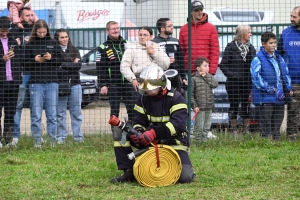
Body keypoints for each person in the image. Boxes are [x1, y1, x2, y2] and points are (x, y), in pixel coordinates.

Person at [111, 63, 195, 184]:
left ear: (161, 84)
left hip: (174, 143)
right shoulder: (143, 98)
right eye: (147, 89)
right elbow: (138, 120)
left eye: (152, 89)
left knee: (185, 177)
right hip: (149, 142)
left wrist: (154, 132)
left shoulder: (176, 98)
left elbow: (177, 125)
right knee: (120, 131)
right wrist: (138, 131)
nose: (149, 92)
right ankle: (129, 171)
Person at [24, 19, 63, 148]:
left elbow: (61, 60)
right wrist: (35, 60)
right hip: (36, 82)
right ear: (35, 31)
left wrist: (51, 58)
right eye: (39, 32)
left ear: (47, 31)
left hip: (52, 82)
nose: (41, 34)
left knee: (52, 114)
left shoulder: (53, 42)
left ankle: (52, 142)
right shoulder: (30, 44)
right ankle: (37, 142)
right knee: (36, 114)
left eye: (44, 32)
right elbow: (24, 63)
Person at [96, 21, 136, 141]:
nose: (115, 30)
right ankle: (116, 136)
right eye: (113, 29)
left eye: (117, 28)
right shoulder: (103, 48)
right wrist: (103, 84)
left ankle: (132, 134)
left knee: (133, 109)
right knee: (114, 111)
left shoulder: (127, 44)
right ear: (107, 31)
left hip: (128, 83)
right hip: (113, 84)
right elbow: (100, 69)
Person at [251, 32, 293, 140]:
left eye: (274, 42)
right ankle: (265, 141)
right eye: (270, 43)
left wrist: (288, 88)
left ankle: (276, 140)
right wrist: (269, 88)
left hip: (280, 96)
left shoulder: (279, 58)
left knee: (278, 119)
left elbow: (286, 74)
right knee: (266, 120)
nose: (273, 45)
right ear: (263, 44)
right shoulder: (258, 59)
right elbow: (256, 78)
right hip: (266, 97)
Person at [219, 24, 257, 137]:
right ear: (242, 33)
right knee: (234, 105)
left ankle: (246, 130)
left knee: (246, 106)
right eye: (249, 32)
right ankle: (233, 129)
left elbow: (254, 65)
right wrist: (233, 75)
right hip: (233, 83)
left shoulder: (251, 48)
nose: (251, 34)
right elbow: (223, 65)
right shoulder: (231, 47)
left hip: (247, 82)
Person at [8, 7, 35, 147]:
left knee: (36, 106)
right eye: (27, 15)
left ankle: (37, 137)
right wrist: (17, 46)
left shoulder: (36, 31)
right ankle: (15, 136)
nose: (30, 17)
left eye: (32, 15)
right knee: (17, 106)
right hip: (21, 73)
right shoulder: (13, 31)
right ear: (20, 16)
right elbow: (10, 52)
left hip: (37, 74)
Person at [54, 28, 84, 144]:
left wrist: (63, 65)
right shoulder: (54, 51)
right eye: (61, 37)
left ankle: (78, 138)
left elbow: (79, 66)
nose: (64, 39)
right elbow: (56, 68)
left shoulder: (74, 50)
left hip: (75, 84)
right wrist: (72, 64)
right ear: (57, 39)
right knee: (60, 113)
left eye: (66, 37)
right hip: (60, 85)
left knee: (76, 113)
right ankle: (61, 137)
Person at [120, 26, 170, 92]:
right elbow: (124, 66)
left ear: (151, 36)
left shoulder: (157, 47)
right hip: (139, 82)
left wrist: (154, 53)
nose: (142, 37)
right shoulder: (131, 48)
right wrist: (133, 79)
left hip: (157, 83)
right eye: (140, 35)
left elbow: (166, 65)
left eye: (145, 35)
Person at [277, 6, 300, 141]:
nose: (291, 19)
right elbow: (279, 55)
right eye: (291, 16)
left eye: (294, 17)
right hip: (293, 80)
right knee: (293, 110)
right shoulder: (285, 33)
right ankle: (292, 136)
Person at [179, 0, 219, 75]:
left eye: (201, 10)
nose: (200, 12)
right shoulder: (184, 29)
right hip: (190, 71)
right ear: (191, 12)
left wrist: (211, 72)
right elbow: (182, 51)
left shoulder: (211, 28)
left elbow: (215, 51)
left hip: (205, 71)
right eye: (196, 10)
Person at [0, 16, 22, 148]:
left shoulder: (13, 41)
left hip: (12, 83)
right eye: (1, 30)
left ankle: (8, 140)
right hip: (0, 83)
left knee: (10, 112)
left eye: (6, 30)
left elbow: (20, 60)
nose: (4, 33)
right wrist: (2, 59)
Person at [152, 18, 187, 89]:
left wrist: (183, 77)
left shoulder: (175, 41)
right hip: (160, 76)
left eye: (172, 25)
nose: (172, 27)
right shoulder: (154, 43)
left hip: (175, 75)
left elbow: (180, 60)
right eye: (169, 26)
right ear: (162, 29)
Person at [191, 57, 218, 144]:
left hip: (208, 106)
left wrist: (206, 76)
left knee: (207, 126)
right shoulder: (193, 79)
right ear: (198, 68)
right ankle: (198, 143)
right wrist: (194, 106)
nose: (207, 67)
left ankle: (204, 142)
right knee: (199, 126)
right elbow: (190, 95)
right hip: (200, 108)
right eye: (205, 66)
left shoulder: (209, 76)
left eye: (208, 66)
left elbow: (215, 84)